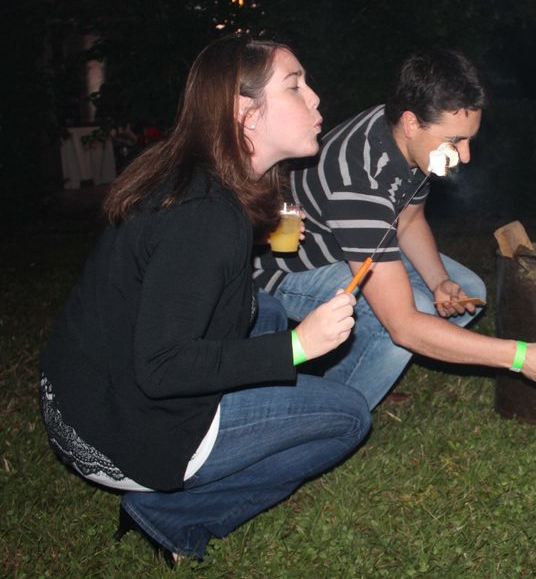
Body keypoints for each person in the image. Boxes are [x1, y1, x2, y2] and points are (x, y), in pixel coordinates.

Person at [39, 36, 371, 564]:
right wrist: (297, 349)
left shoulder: (191, 175)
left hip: (78, 401)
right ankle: (171, 516)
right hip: (119, 436)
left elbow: (183, 281)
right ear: (246, 115)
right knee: (348, 416)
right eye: (295, 86)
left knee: (265, 309)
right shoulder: (205, 215)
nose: (315, 98)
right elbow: (162, 366)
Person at [253, 49, 536, 409]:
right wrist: (519, 356)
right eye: (455, 141)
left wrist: (440, 281)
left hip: (356, 243)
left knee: (467, 291)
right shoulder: (358, 182)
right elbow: (403, 325)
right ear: (411, 123)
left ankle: (371, 365)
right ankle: (330, 412)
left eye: (469, 139)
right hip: (290, 269)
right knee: (401, 325)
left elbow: (408, 219)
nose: (465, 156)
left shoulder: (406, 138)